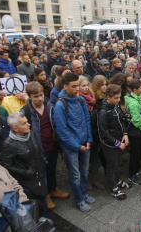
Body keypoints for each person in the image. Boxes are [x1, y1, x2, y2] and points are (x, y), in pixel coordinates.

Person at [21, 82, 69, 210]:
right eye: (36, 96)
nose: (40, 98)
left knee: (52, 168)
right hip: (38, 147)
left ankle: (54, 189)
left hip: (51, 144)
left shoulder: (49, 105)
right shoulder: (26, 111)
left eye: (41, 95)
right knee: (41, 174)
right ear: (29, 96)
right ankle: (45, 195)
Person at [53, 72, 95, 212]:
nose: (77, 89)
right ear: (65, 86)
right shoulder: (60, 105)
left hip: (85, 143)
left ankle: (84, 193)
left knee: (84, 171)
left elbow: (87, 120)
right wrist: (77, 146)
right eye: (73, 86)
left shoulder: (80, 100)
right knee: (75, 174)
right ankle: (79, 199)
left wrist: (89, 139)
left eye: (78, 86)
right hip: (73, 146)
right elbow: (62, 131)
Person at [0, 112, 48, 203]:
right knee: (35, 203)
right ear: (15, 128)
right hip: (28, 181)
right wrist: (27, 173)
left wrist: (43, 162)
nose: (29, 125)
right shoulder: (9, 144)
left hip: (40, 173)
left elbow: (38, 150)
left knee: (44, 198)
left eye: (27, 122)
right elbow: (7, 166)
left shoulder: (31, 134)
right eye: (24, 123)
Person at [97, 84, 130, 200]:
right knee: (111, 166)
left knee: (118, 163)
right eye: (116, 98)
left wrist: (125, 134)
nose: (118, 100)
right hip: (109, 145)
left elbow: (121, 121)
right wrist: (117, 143)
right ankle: (113, 187)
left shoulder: (116, 106)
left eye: (119, 97)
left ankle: (117, 180)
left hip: (119, 141)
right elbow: (103, 134)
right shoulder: (103, 112)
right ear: (108, 96)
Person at [124, 79, 141, 185]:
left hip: (139, 129)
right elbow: (136, 119)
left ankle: (137, 168)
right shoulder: (132, 102)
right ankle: (132, 174)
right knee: (135, 152)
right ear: (134, 90)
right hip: (134, 130)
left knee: (139, 150)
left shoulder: (138, 97)